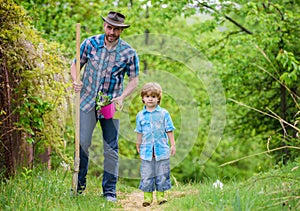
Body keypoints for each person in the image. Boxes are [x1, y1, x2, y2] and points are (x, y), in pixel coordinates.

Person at [70, 11, 139, 202]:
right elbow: (76, 65)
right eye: (109, 27)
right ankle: (78, 187)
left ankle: (109, 192)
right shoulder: (90, 43)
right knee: (82, 143)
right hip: (86, 102)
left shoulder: (128, 52)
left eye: (116, 29)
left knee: (110, 148)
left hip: (110, 105)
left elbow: (134, 80)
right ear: (104, 26)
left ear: (121, 30)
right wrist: (76, 80)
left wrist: (122, 97)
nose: (112, 32)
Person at [135, 82, 176, 207]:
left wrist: (173, 144)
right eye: (147, 96)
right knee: (147, 174)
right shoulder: (140, 115)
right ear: (143, 98)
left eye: (153, 96)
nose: (150, 99)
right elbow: (139, 131)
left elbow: (169, 129)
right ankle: (147, 197)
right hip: (146, 150)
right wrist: (138, 143)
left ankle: (160, 196)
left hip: (161, 149)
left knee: (162, 174)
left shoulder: (164, 113)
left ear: (158, 98)